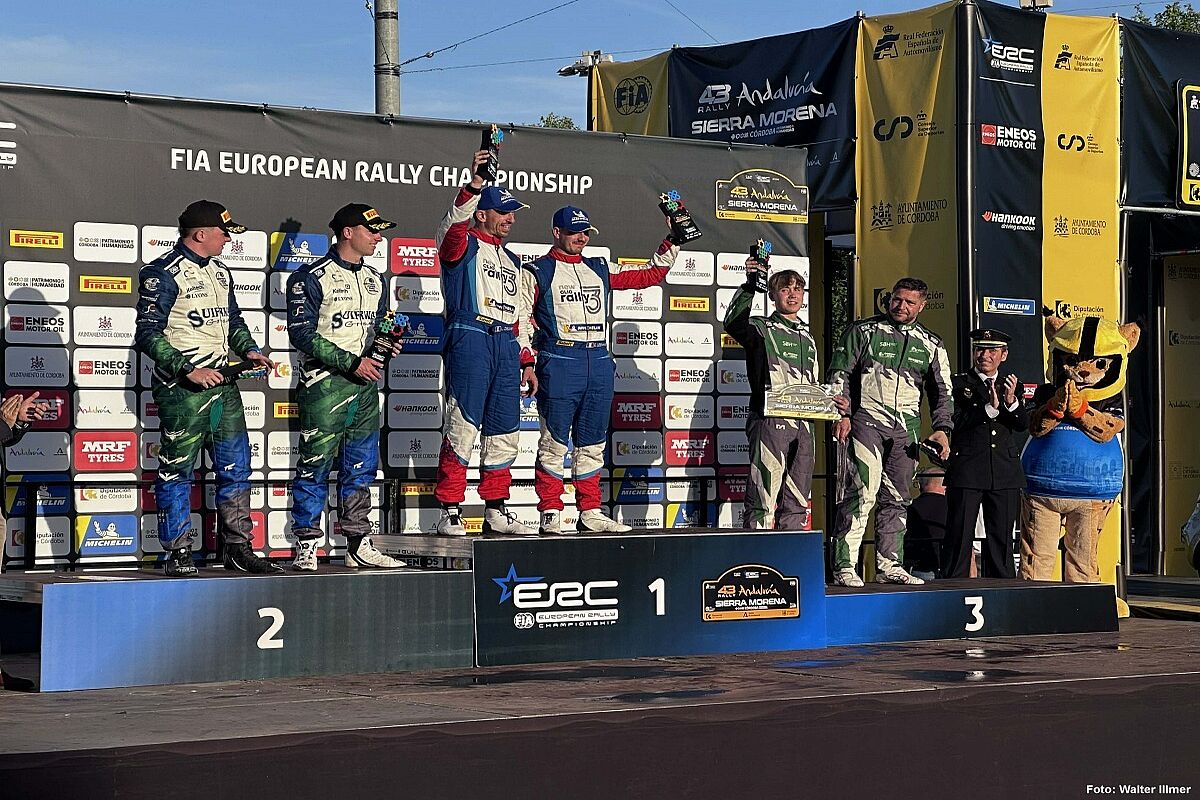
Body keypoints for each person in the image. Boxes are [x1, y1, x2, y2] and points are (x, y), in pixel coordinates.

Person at [134, 200, 280, 576]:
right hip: (182, 388)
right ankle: (178, 552)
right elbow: (146, 334)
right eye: (223, 233)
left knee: (236, 467)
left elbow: (233, 320)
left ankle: (237, 548)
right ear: (200, 234)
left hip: (223, 385)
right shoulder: (162, 273)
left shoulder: (220, 271)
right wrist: (188, 370)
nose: (228, 239)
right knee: (177, 470)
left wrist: (249, 350)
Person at [521, 206, 679, 535]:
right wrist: (527, 362)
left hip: (598, 361)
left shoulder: (599, 267)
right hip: (560, 360)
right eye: (574, 232)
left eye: (585, 232)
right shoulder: (537, 270)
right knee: (553, 444)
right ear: (556, 233)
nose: (581, 238)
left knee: (592, 443)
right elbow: (521, 319)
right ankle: (550, 512)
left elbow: (649, 274)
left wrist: (674, 239)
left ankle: (590, 510)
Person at [286, 203, 407, 571]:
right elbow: (302, 334)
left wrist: (388, 345)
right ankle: (307, 544)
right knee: (315, 466)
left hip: (364, 388)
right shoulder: (310, 277)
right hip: (324, 386)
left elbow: (380, 327)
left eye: (380, 231)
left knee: (361, 468)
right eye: (373, 230)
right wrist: (352, 362)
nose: (379, 237)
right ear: (348, 232)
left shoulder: (376, 279)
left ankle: (357, 543)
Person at [433, 149, 536, 537]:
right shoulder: (462, 244)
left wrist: (526, 360)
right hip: (471, 335)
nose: (511, 218)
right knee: (462, 426)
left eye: (513, 212)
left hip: (506, 343)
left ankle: (496, 508)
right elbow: (451, 227)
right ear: (481, 213)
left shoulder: (513, 260)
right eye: (503, 211)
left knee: (505, 431)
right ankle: (449, 510)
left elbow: (520, 316)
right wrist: (474, 185)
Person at [828, 277, 953, 586]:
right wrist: (841, 414)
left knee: (897, 498)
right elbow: (839, 373)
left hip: (907, 431)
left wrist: (942, 429)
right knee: (862, 492)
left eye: (910, 302)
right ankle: (844, 565)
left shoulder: (931, 343)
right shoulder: (863, 331)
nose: (901, 306)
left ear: (922, 306)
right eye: (897, 299)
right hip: (866, 422)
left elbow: (943, 392)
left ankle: (890, 566)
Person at [722, 258, 819, 530]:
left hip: (805, 423)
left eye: (798, 289)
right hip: (769, 418)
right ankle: (759, 548)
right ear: (773, 296)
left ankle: (789, 548)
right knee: (763, 493)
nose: (793, 294)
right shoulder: (760, 328)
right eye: (785, 289)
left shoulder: (807, 336)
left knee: (798, 496)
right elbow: (733, 323)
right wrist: (750, 286)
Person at [941, 329, 1027, 579]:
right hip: (968, 468)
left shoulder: (1012, 384)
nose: (985, 355)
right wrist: (988, 408)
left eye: (992, 350)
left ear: (1003, 355)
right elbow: (954, 421)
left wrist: (1011, 402)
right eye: (980, 349)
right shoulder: (957, 383)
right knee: (959, 533)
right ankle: (954, 587)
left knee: (1002, 537)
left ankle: (1003, 588)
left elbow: (1021, 424)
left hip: (1003, 470)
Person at [905, 469, 948, 580]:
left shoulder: (908, 508)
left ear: (920, 485)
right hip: (947, 570)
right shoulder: (954, 509)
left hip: (915, 569)